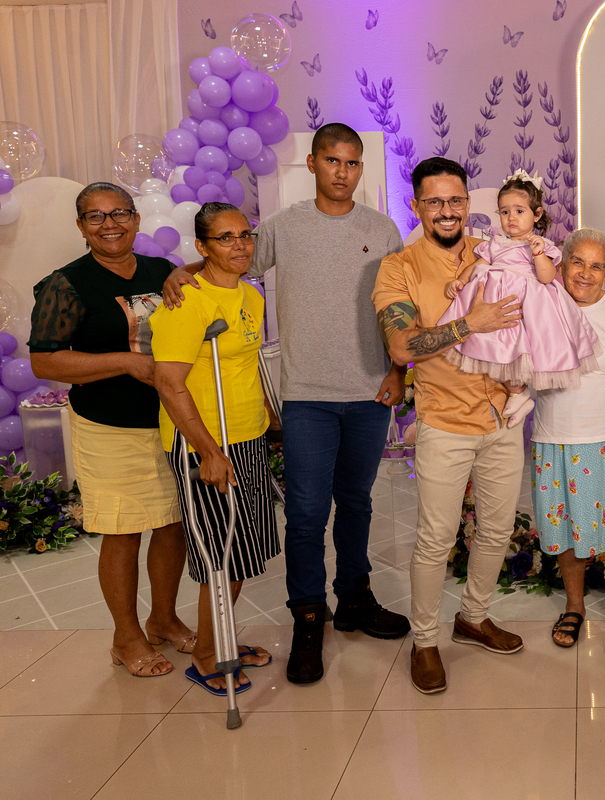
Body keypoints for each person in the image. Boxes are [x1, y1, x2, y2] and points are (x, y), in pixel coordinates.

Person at [163, 123, 410, 685]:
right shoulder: (283, 226)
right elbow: (231, 263)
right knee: (304, 514)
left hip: (371, 392)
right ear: (313, 164)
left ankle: (354, 597)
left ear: (361, 167)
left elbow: (400, 307)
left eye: (352, 162)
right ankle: (308, 616)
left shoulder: (382, 229)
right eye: (332, 161)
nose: (342, 172)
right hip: (306, 397)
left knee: (357, 503)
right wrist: (184, 271)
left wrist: (398, 371)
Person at [372, 156, 528, 694]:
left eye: (455, 200)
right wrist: (468, 324)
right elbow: (401, 346)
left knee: (498, 530)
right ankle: (424, 641)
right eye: (434, 201)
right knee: (436, 539)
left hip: (501, 418)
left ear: (467, 203)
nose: (446, 210)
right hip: (444, 422)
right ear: (417, 205)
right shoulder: (399, 268)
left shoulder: (491, 252)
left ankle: (473, 618)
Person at [28, 182, 194, 678]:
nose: (110, 225)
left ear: (137, 219)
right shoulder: (66, 284)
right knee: (123, 532)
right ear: (81, 227)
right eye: (96, 217)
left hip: (168, 418)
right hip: (108, 425)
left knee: (171, 524)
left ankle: (163, 619)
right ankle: (126, 637)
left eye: (119, 213)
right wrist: (125, 362)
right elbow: (44, 362)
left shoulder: (160, 271)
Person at [150, 203, 278, 695]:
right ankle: (206, 653)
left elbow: (245, 364)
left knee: (242, 552)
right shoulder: (186, 302)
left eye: (245, 234)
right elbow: (169, 383)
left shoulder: (250, 294)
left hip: (247, 436)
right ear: (202, 247)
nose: (240, 245)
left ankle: (219, 638)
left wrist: (268, 418)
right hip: (205, 445)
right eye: (225, 238)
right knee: (221, 557)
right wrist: (207, 451)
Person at [531, 228, 605, 655]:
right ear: (561, 265)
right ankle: (574, 606)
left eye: (596, 266)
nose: (585, 273)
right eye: (577, 262)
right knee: (565, 526)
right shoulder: (542, 305)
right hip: (555, 438)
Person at [441, 170, 598, 426]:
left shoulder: (540, 245)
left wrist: (538, 254)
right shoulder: (495, 243)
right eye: (505, 212)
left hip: (527, 306)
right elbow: (476, 266)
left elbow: (546, 277)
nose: (511, 218)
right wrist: (459, 280)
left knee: (521, 352)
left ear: (536, 214)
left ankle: (520, 393)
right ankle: (518, 394)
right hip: (497, 305)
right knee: (495, 350)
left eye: (519, 211)